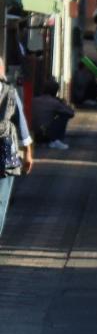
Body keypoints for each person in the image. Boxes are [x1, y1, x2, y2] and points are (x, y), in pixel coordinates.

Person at [0, 48, 31, 242]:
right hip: (6, 150)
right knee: (1, 199)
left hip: (6, 150)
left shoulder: (10, 92)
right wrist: (28, 152)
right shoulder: (10, 92)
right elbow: (21, 124)